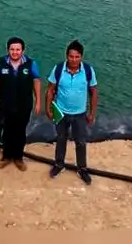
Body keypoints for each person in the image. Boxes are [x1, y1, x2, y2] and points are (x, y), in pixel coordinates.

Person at [45, 39, 98, 185]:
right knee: (61, 138)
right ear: (66, 56)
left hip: (80, 114)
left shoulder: (88, 71)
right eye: (71, 56)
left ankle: (82, 169)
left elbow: (94, 92)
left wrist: (92, 113)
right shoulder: (58, 69)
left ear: (81, 57)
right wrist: (48, 108)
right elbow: (50, 90)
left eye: (77, 57)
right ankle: (59, 165)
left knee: (81, 142)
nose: (74, 60)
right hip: (61, 112)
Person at [0, 36, 42, 170]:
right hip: (6, 104)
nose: (15, 52)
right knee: (7, 131)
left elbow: (36, 81)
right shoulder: (0, 63)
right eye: (12, 49)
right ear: (8, 50)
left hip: (24, 105)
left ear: (23, 51)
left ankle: (18, 158)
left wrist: (38, 101)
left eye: (18, 49)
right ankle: (6, 156)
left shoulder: (31, 64)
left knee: (20, 131)